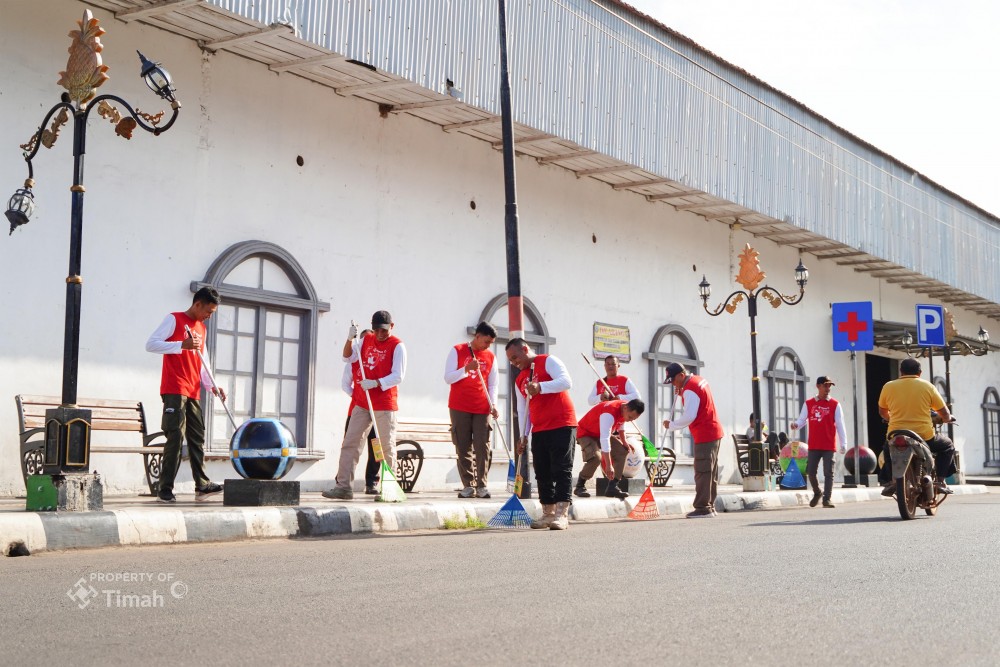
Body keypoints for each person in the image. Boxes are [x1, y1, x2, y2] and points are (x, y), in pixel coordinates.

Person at [145, 287, 226, 503]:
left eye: (212, 313)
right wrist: (182, 345)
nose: (209, 316)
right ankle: (165, 488)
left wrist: (213, 386)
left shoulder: (202, 328)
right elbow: (151, 344)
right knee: (175, 436)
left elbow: (203, 361)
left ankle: (202, 483)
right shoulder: (174, 319)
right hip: (174, 388)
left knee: (197, 436)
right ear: (197, 303)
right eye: (208, 311)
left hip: (193, 389)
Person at [324, 311, 407, 501]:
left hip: (384, 404)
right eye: (377, 329)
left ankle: (390, 490)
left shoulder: (398, 346)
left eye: (383, 330)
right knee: (350, 444)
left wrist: (376, 382)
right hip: (362, 402)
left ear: (391, 327)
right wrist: (349, 339)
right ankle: (344, 487)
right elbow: (347, 357)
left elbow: (398, 375)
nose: (379, 333)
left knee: (385, 447)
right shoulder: (366, 340)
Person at [506, 338, 577, 530]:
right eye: (511, 361)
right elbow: (523, 409)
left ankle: (562, 515)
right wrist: (523, 435)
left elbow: (566, 382)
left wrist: (541, 387)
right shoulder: (519, 379)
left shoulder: (549, 361)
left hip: (562, 423)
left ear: (525, 349)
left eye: (515, 357)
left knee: (561, 469)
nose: (514, 362)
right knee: (542, 471)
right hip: (539, 428)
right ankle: (548, 513)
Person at [877, 357, 956, 495]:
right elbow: (943, 411)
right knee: (948, 445)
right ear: (920, 372)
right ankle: (940, 481)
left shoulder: (888, 386)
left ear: (901, 372)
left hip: (896, 433)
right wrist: (947, 418)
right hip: (924, 436)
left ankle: (890, 481)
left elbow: (882, 411)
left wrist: (891, 418)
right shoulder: (928, 386)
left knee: (888, 450)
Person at [662, 362, 725, 518]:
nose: (673, 385)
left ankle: (703, 508)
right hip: (714, 430)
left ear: (681, 375)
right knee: (710, 472)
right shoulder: (698, 380)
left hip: (704, 433)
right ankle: (710, 505)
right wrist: (682, 391)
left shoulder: (690, 389)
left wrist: (672, 425)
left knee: (703, 471)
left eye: (674, 381)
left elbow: (690, 416)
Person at [444, 321, 499, 498]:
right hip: (459, 406)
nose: (488, 345)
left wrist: (494, 404)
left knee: (483, 445)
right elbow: (448, 378)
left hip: (482, 406)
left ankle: (482, 485)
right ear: (477, 336)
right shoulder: (458, 350)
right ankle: (468, 485)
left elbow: (493, 384)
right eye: (486, 341)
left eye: (491, 342)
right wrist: (466, 369)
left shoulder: (490, 357)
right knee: (463, 445)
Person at [789, 376, 847, 508]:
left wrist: (844, 443)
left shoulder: (835, 404)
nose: (828, 388)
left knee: (828, 473)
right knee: (811, 471)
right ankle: (817, 492)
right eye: (825, 385)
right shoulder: (809, 403)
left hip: (828, 445)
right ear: (818, 386)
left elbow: (840, 424)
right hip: (814, 444)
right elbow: (802, 419)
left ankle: (827, 499)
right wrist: (796, 425)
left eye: (829, 386)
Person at [574, 398, 645, 500]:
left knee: (622, 451)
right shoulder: (609, 414)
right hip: (586, 432)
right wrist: (608, 465)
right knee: (596, 458)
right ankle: (580, 486)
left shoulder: (624, 408)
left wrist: (624, 443)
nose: (629, 420)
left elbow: (621, 425)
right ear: (625, 408)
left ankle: (612, 486)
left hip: (600, 432)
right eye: (630, 417)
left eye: (632, 419)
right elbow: (605, 439)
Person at [341, 329, 380, 495]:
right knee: (350, 446)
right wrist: (357, 397)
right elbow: (345, 385)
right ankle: (342, 481)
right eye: (363, 341)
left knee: (376, 448)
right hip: (356, 411)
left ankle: (372, 482)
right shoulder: (353, 363)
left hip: (376, 411)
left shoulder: (377, 361)